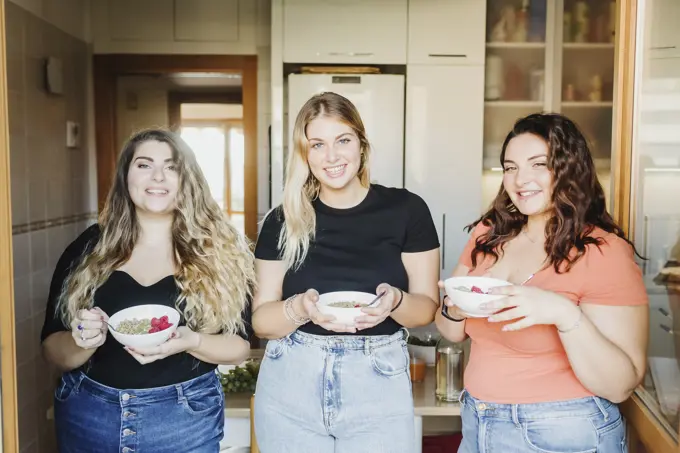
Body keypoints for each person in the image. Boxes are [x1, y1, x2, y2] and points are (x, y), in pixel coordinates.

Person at [436, 113, 649, 453]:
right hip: (478, 419)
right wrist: (454, 307)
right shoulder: (488, 234)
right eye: (510, 167)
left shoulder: (604, 252)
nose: (522, 179)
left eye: (539, 164)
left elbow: (621, 385)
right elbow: (451, 331)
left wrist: (563, 313)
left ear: (569, 170)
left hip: (561, 429)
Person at [40, 129, 256, 453]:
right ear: (126, 176)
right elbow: (52, 348)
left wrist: (192, 341)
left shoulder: (221, 252)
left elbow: (239, 347)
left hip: (186, 419)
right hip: (89, 414)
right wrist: (82, 342)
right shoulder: (87, 248)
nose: (158, 176)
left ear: (188, 179)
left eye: (171, 166)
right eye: (144, 165)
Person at [252, 92, 440, 453]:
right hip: (292, 381)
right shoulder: (283, 220)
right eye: (317, 144)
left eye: (343, 140)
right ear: (304, 154)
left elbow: (427, 309)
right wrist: (300, 309)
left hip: (378, 383)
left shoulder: (407, 210)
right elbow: (261, 320)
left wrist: (396, 302)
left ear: (362, 145)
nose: (332, 156)